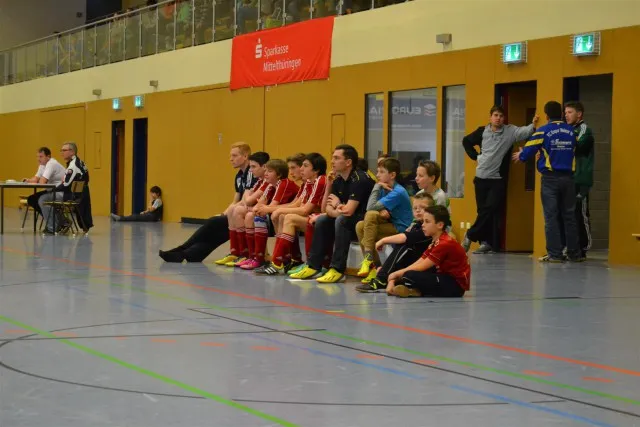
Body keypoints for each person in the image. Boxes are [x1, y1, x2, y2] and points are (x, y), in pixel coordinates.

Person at [159, 142, 257, 263]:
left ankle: (182, 250)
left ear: (245, 156)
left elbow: (244, 200)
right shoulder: (239, 176)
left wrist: (228, 214)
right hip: (236, 212)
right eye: (230, 156)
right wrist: (223, 213)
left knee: (213, 223)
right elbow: (235, 200)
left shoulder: (251, 173)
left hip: (245, 212)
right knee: (216, 233)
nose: (231, 159)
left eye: (234, 155)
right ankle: (189, 254)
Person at [290, 144, 374, 283]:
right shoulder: (338, 180)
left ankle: (337, 269)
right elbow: (326, 209)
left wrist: (337, 206)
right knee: (322, 220)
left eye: (336, 158)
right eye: (332, 158)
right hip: (348, 218)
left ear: (348, 162)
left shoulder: (360, 179)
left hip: (365, 221)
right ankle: (313, 266)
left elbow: (349, 211)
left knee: (342, 220)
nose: (332, 161)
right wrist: (329, 187)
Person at [512, 101, 583, 263]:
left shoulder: (543, 131)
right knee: (570, 217)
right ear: (561, 114)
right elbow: (577, 149)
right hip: (569, 179)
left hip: (551, 180)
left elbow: (528, 151)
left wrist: (522, 155)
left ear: (546, 116)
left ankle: (555, 254)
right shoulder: (572, 132)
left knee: (551, 217)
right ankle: (574, 254)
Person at [462, 106, 539, 254]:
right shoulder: (482, 131)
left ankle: (470, 235)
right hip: (480, 178)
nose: (498, 118)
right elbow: (466, 141)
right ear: (490, 117)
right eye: (496, 115)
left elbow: (525, 131)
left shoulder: (510, 131)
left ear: (504, 118)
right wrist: (476, 156)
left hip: (497, 179)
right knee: (483, 211)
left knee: (490, 208)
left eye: (501, 116)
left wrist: (534, 124)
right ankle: (486, 242)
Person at [258, 153, 328, 275]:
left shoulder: (320, 181)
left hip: (323, 221)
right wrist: (272, 209)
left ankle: (277, 261)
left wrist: (271, 209)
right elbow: (296, 204)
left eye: (304, 166)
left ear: (316, 170)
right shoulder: (308, 182)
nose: (300, 169)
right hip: (313, 218)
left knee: (288, 218)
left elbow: (304, 210)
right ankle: (289, 259)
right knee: (281, 216)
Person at [541, 101, 595, 260]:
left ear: (579, 114)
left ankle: (582, 248)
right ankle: (564, 248)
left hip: (580, 178)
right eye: (565, 113)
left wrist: (558, 144)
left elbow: (578, 146)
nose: (566, 115)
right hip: (568, 179)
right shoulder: (567, 130)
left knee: (580, 215)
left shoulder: (584, 129)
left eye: (570, 112)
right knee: (561, 214)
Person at [356, 192, 434, 293]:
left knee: (404, 246)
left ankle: (381, 279)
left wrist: (383, 240)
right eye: (415, 208)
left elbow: (405, 237)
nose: (418, 210)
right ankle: (386, 276)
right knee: (402, 245)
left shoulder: (429, 228)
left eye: (423, 207)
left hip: (427, 268)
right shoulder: (416, 224)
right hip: (415, 264)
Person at [386, 205, 470, 298]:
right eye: (423, 221)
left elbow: (421, 266)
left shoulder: (445, 243)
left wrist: (395, 275)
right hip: (443, 278)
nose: (423, 225)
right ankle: (414, 291)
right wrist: (394, 278)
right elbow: (420, 261)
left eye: (427, 221)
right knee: (405, 274)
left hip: (455, 286)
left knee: (408, 275)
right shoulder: (436, 241)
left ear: (440, 225)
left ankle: (414, 289)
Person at [356, 157, 413, 284]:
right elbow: (374, 207)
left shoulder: (397, 191)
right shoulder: (384, 188)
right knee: (360, 225)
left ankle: (370, 262)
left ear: (392, 175)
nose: (377, 175)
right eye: (377, 171)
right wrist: (381, 209)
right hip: (390, 223)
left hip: (402, 228)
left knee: (370, 215)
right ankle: (373, 266)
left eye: (381, 172)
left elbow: (370, 207)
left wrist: (376, 186)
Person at [238, 159, 299, 270]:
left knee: (268, 216)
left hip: (287, 215)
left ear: (279, 175)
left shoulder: (284, 183)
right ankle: (256, 257)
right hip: (278, 215)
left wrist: (260, 208)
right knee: (252, 216)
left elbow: (270, 206)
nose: (265, 173)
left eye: (270, 171)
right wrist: (258, 208)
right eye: (265, 170)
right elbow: (260, 205)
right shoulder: (270, 185)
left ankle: (282, 258)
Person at [223, 151, 270, 266]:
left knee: (248, 215)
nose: (251, 170)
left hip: (270, 215)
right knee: (234, 209)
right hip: (264, 211)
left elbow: (249, 200)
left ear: (264, 167)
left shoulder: (268, 182)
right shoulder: (259, 181)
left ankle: (256, 256)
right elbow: (247, 199)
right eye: (251, 167)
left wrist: (249, 196)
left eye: (253, 167)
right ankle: (240, 253)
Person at [40, 142, 92, 234]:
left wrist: (52, 189)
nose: (62, 153)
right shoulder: (80, 162)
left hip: (72, 195)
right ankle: (62, 222)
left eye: (64, 150)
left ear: (72, 152)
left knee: (42, 199)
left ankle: (53, 227)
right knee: (49, 197)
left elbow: (65, 185)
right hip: (82, 194)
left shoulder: (72, 166)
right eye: (61, 150)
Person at [23, 147, 66, 215]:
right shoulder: (42, 165)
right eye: (37, 157)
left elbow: (42, 182)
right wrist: (28, 180)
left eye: (41, 156)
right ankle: (54, 217)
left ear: (48, 157)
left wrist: (38, 180)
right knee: (31, 199)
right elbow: (36, 179)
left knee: (39, 199)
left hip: (60, 192)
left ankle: (55, 218)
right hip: (52, 191)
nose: (38, 159)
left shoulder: (51, 163)